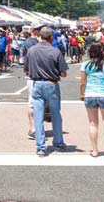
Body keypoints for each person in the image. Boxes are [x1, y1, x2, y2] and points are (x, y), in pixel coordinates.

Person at [25, 26, 68, 157]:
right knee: (55, 113)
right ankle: (59, 142)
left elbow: (25, 69)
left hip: (36, 83)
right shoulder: (55, 52)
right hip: (51, 83)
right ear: (51, 38)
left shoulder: (31, 50)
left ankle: (41, 146)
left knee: (38, 115)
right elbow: (63, 73)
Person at [80, 42, 104, 164]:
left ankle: (95, 150)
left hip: (90, 94)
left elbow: (82, 82)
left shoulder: (85, 64)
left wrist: (82, 94)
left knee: (93, 123)